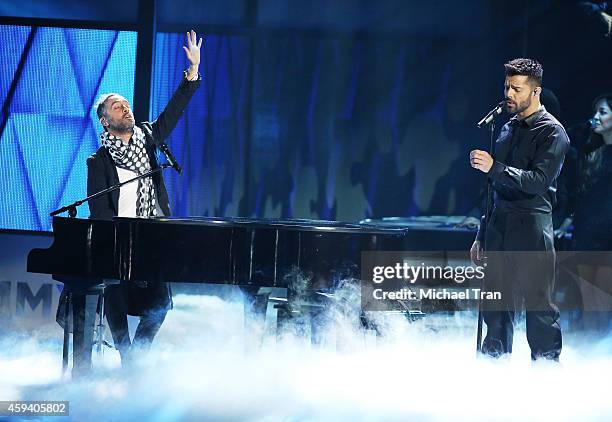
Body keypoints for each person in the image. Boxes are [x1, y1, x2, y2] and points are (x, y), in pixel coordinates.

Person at [87, 30, 202, 364]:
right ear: (106, 122)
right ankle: (126, 354)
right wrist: (112, 240)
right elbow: (99, 208)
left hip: (152, 232)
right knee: (114, 295)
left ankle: (139, 352)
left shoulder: (149, 137)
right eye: (117, 107)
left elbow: (173, 112)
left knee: (162, 304)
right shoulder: (99, 161)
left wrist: (192, 73)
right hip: (119, 237)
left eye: (126, 104)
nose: (126, 109)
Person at [469, 58, 569, 361]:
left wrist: (495, 167)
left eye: (517, 88)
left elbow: (538, 182)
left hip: (531, 227)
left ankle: (547, 371)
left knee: (538, 307)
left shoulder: (553, 132)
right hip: (499, 226)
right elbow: (494, 188)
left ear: (535, 91)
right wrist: (481, 234)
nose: (509, 94)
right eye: (507, 87)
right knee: (495, 306)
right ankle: (494, 369)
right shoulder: (507, 128)